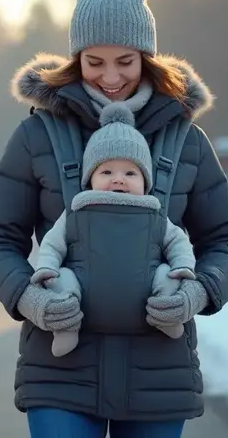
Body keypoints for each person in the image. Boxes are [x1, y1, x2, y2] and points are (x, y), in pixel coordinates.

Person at [0, 0, 228, 438]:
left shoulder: (185, 139)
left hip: (158, 372)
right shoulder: (38, 136)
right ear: (77, 59)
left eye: (126, 61)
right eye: (95, 62)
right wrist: (28, 299)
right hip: (58, 368)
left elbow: (226, 240)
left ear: (147, 57)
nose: (112, 77)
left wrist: (198, 291)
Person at [30, 101, 197, 357]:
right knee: (61, 279)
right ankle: (67, 327)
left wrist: (182, 266)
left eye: (130, 173)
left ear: (145, 181)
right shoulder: (78, 210)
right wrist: (47, 268)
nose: (118, 179)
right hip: (83, 290)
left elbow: (177, 241)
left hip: (144, 293)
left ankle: (166, 317)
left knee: (166, 275)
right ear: (89, 180)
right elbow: (53, 242)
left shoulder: (153, 213)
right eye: (106, 171)